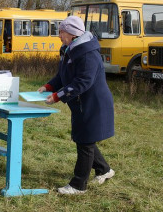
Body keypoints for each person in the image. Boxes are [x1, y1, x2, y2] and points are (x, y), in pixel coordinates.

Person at [38, 16, 115, 195]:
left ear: (72, 33)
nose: (59, 36)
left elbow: (82, 82)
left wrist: (58, 96)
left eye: (61, 32)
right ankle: (104, 170)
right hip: (81, 103)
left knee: (85, 142)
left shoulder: (88, 53)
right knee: (84, 138)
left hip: (93, 103)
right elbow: (62, 75)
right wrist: (49, 86)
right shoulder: (68, 49)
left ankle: (78, 185)